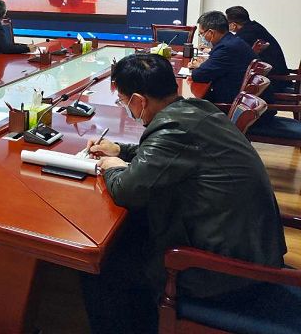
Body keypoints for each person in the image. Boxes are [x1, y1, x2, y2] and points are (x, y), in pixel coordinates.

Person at [82, 53, 286, 334]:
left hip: (226, 272)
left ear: (139, 100)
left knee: (102, 266)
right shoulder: (198, 110)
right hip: (251, 248)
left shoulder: (173, 129)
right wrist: (120, 150)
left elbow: (127, 190)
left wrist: (112, 166)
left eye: (122, 100)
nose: (124, 107)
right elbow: (167, 157)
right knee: (130, 231)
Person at [189, 10, 260, 104]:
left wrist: (201, 66)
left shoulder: (226, 48)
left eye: (202, 34)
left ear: (211, 32)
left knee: (191, 102)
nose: (202, 37)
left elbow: (199, 75)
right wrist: (204, 65)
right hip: (241, 97)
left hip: (230, 103)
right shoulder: (231, 41)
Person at [225, 5, 289, 77]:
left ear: (233, 25)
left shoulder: (246, 33)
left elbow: (229, 51)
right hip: (275, 72)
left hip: (273, 77)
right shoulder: (254, 27)